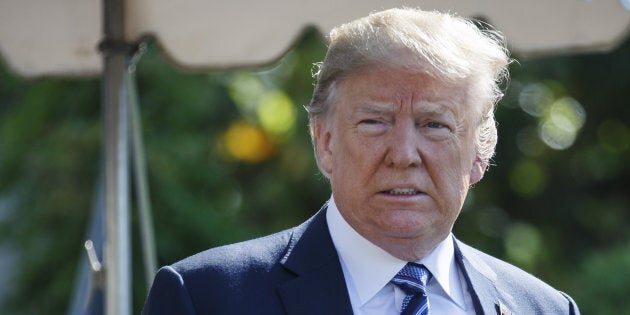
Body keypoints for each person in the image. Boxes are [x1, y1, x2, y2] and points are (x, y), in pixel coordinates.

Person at [142, 7, 580, 315]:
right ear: (325, 141)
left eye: (435, 125)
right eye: (375, 122)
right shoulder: (206, 299)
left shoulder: (543, 308)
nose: (404, 154)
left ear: (480, 153)